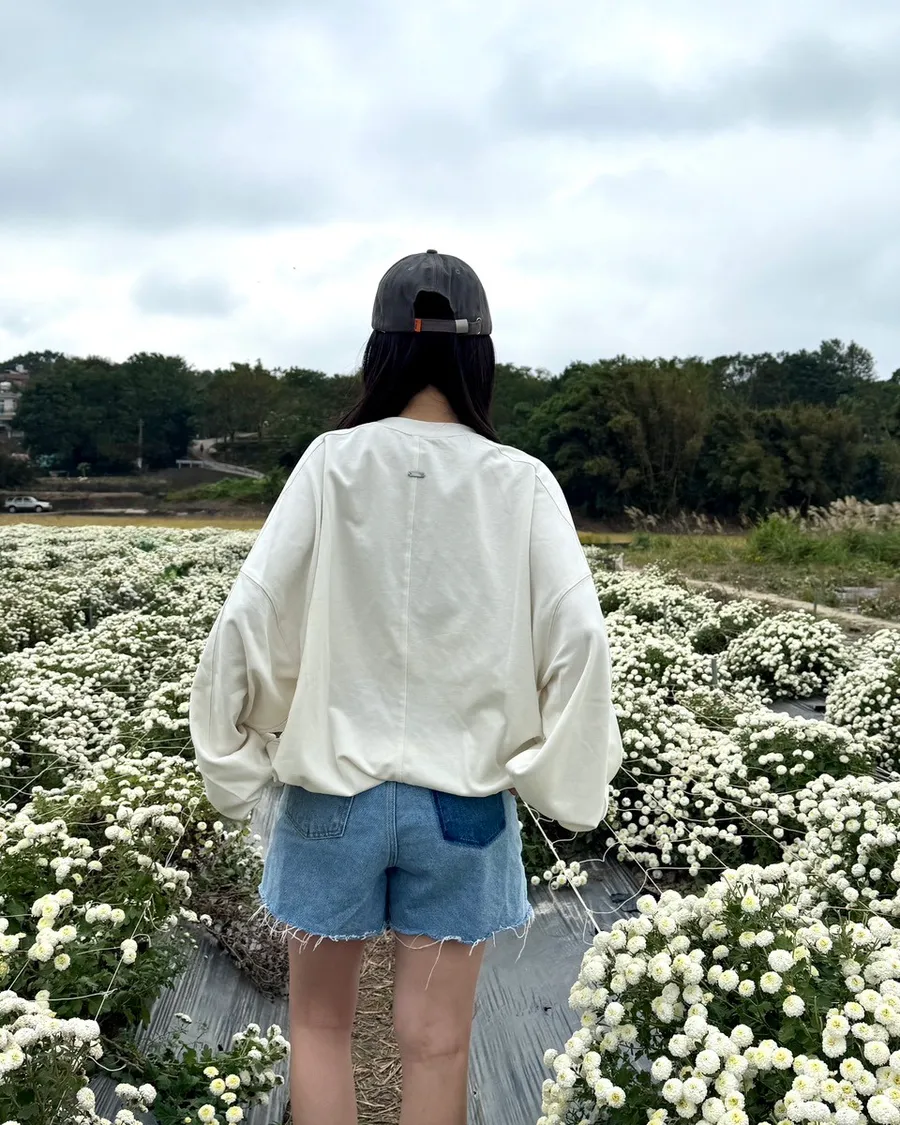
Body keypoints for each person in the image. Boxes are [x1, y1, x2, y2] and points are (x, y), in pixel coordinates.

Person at [189, 249, 623, 1125]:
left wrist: (236, 762)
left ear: (380, 350)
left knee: (319, 1029)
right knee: (436, 1044)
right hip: (463, 807)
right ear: (480, 356)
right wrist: (551, 777)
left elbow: (251, 615)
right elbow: (580, 637)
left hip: (331, 799)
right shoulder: (520, 480)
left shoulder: (331, 463)